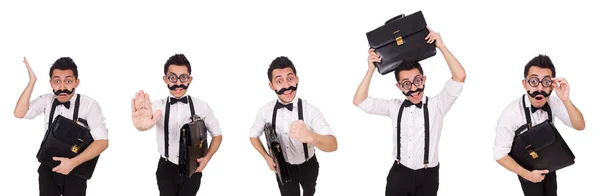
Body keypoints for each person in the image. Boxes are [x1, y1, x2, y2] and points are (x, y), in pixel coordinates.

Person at [353, 27, 466, 196]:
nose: (414, 89)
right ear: (399, 87)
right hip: (399, 174)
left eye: (417, 81)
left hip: (428, 176)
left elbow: (460, 76)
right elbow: (359, 101)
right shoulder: (394, 107)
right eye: (406, 84)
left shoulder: (438, 105)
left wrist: (441, 46)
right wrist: (370, 70)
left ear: (424, 79)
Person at [14, 57, 110, 196]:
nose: (62, 87)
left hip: (76, 171)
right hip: (48, 168)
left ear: (77, 82)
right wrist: (32, 82)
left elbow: (102, 142)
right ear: (51, 83)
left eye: (68, 81)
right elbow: (19, 112)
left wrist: (72, 163)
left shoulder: (89, 104)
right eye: (57, 81)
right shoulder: (47, 100)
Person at [130, 54, 223, 196]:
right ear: (165, 79)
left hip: (193, 168)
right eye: (173, 77)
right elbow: (144, 123)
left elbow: (217, 134)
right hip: (166, 168)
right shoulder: (157, 106)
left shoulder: (202, 107)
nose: (178, 83)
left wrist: (207, 158)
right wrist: (140, 124)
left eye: (183, 77)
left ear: (189, 79)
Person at [493, 54, 585, 196]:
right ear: (525, 84)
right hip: (526, 167)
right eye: (534, 81)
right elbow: (499, 155)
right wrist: (528, 175)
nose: (540, 88)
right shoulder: (510, 114)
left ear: (552, 86)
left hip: (548, 160)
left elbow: (580, 126)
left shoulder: (554, 102)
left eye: (546, 82)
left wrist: (566, 100)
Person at [249, 56, 338, 196]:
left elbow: (333, 145)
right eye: (279, 81)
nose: (286, 86)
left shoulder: (310, 111)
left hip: (309, 165)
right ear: (271, 85)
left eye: (290, 78)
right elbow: (253, 136)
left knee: (309, 192)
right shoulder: (265, 111)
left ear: (297, 79)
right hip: (283, 167)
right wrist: (267, 157)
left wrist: (311, 136)